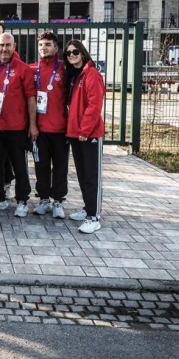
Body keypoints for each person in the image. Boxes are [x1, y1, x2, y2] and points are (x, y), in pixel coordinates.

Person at [0, 33, 38, 217]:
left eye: (8, 45)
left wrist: (32, 125)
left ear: (14, 46)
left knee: (19, 165)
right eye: (1, 45)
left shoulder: (23, 69)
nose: (4, 49)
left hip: (16, 128)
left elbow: (31, 98)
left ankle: (22, 200)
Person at [64, 40, 105, 234]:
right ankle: (87, 208)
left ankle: (94, 216)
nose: (71, 55)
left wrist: (85, 130)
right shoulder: (75, 75)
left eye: (75, 52)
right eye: (68, 53)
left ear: (83, 53)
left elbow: (94, 106)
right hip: (75, 134)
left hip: (89, 135)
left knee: (91, 176)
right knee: (81, 174)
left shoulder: (92, 75)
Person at [29, 32, 69, 219]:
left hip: (61, 129)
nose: (43, 48)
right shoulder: (33, 69)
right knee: (40, 165)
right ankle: (44, 199)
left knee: (60, 167)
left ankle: (58, 201)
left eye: (47, 44)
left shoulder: (64, 68)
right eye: (41, 45)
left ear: (56, 48)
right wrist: (32, 126)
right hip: (40, 130)